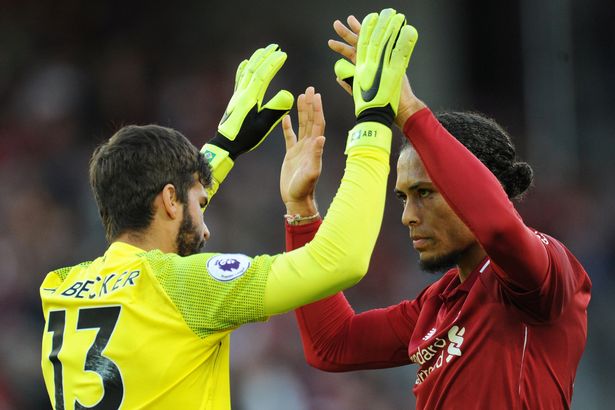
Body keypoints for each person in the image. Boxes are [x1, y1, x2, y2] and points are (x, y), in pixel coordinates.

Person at [39, 11, 418, 409]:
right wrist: (374, 121)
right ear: (169, 200)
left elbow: (164, 210)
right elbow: (341, 261)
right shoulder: (185, 287)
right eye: (199, 202)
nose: (206, 231)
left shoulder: (59, 288)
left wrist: (223, 148)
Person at [286, 12, 592, 409]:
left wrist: (409, 110)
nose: (408, 216)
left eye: (425, 193)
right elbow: (331, 344)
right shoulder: (438, 304)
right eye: (404, 197)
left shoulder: (545, 275)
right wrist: (302, 213)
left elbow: (499, 229)